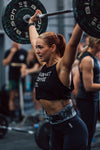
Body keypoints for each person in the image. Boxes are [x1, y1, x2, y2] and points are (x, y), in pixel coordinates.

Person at [28, 10, 88, 150]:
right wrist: (31, 23)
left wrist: (83, 18)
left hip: (72, 128)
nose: (36, 51)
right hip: (54, 127)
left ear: (52, 47)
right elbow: (33, 41)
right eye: (37, 48)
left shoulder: (62, 67)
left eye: (40, 47)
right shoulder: (44, 65)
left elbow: (73, 44)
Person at [76, 36, 100, 150]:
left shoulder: (94, 58)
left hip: (93, 99)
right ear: (96, 44)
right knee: (87, 133)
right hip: (86, 100)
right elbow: (88, 86)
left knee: (91, 131)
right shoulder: (87, 60)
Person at [2, 41, 27, 122]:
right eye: (15, 42)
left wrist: (23, 70)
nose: (16, 43)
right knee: (12, 97)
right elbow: (5, 63)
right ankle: (12, 117)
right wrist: (12, 53)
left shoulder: (24, 52)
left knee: (20, 97)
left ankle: (20, 116)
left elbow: (26, 64)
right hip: (12, 78)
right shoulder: (8, 52)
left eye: (18, 42)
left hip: (21, 78)